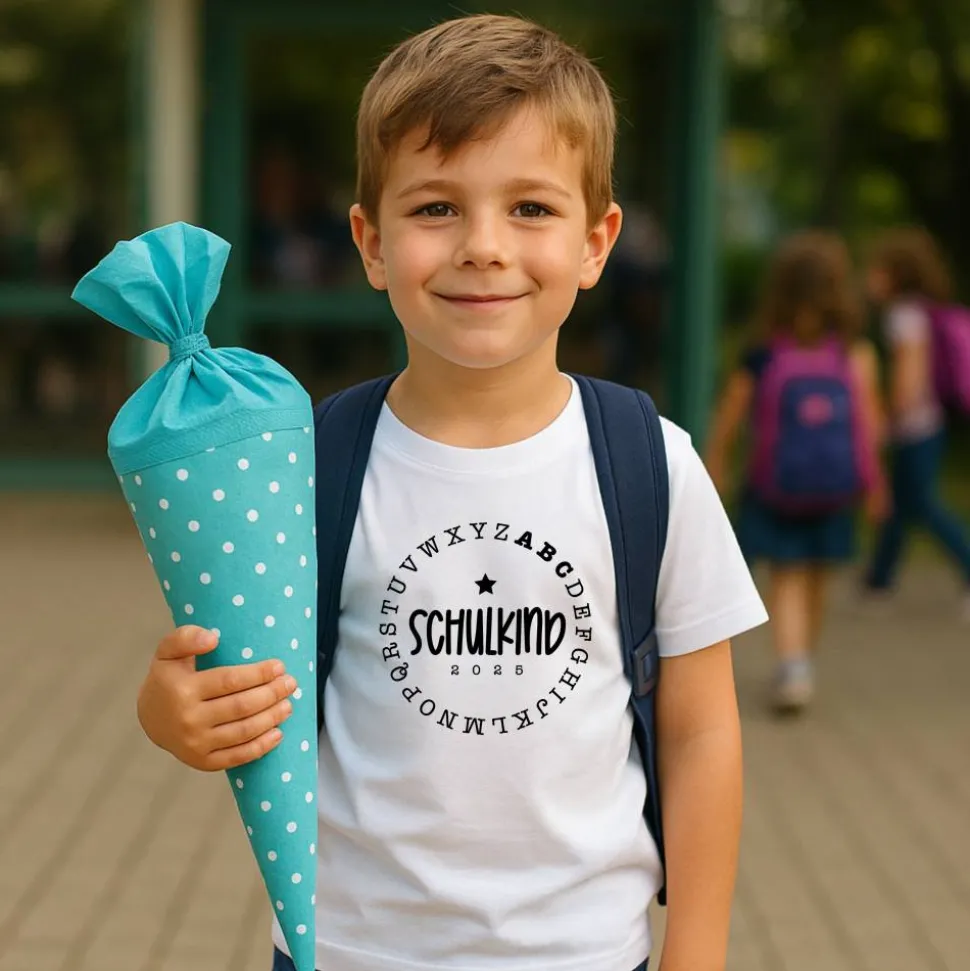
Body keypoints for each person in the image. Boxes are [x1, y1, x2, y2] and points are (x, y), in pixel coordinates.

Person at [134, 14, 767, 971]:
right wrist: (171, 713)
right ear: (370, 242)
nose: (483, 245)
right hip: (347, 949)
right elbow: (230, 680)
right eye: (435, 208)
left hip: (588, 953)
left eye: (531, 208)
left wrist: (700, 947)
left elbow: (703, 730)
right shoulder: (309, 464)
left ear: (596, 242)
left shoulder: (652, 464)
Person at [706, 231, 885, 713]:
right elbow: (869, 427)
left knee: (786, 574)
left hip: (775, 486)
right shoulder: (854, 352)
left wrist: (716, 464)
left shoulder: (762, 352)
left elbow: (729, 416)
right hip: (835, 489)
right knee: (818, 576)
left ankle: (793, 666)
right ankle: (801, 659)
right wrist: (875, 487)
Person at [861, 227, 970, 614]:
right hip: (928, 423)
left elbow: (909, 376)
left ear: (896, 274)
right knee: (901, 503)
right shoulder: (921, 311)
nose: (869, 279)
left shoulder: (903, 316)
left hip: (915, 427)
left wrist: (888, 419)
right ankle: (878, 579)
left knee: (921, 504)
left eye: (876, 271)